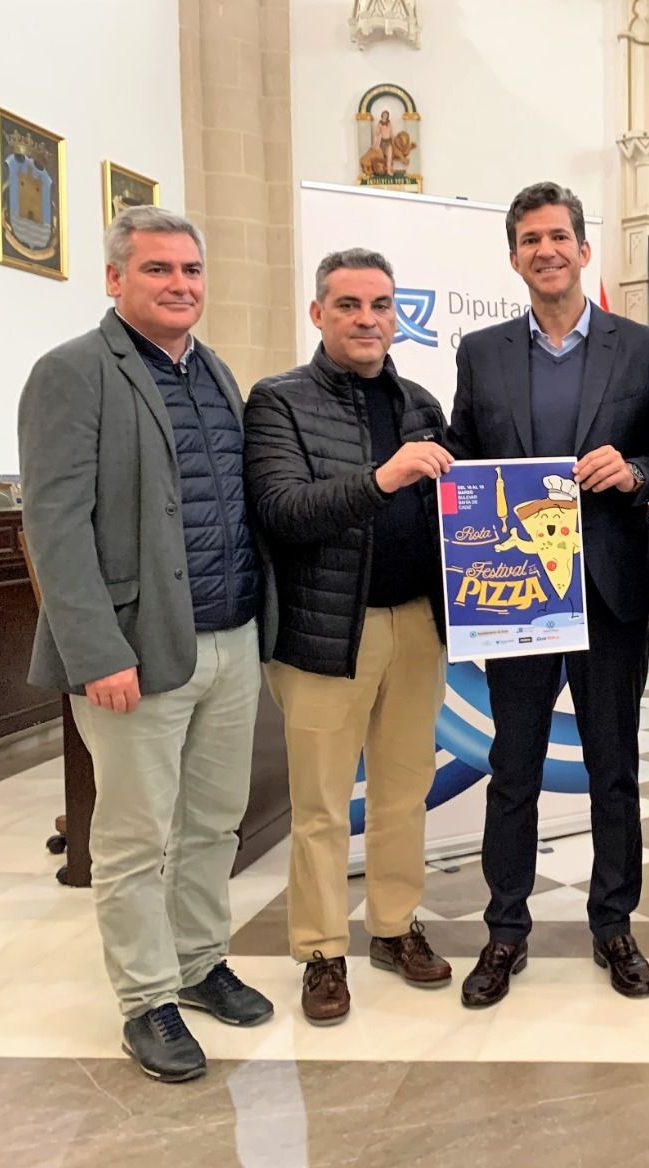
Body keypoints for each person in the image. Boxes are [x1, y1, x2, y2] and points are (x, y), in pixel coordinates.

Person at [18, 206, 276, 1083]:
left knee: (213, 823)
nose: (179, 286)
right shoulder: (72, 373)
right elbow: (54, 527)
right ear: (115, 278)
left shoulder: (215, 374)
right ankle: (147, 1000)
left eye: (191, 271)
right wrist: (95, 653)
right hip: (136, 647)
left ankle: (201, 963)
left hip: (231, 635)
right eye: (160, 269)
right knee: (132, 838)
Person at [448, 181, 649, 1008]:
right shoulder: (482, 352)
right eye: (530, 239)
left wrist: (637, 472)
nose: (546, 250)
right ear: (514, 257)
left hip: (610, 591)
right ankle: (506, 930)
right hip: (515, 594)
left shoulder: (642, 346)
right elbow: (466, 458)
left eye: (559, 237)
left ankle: (613, 923)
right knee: (514, 768)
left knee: (614, 769)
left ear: (584, 249)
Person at [244, 248, 455, 1026]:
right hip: (326, 633)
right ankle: (322, 950)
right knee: (324, 807)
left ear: (397, 315)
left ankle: (394, 929)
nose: (368, 320)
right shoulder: (278, 401)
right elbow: (281, 510)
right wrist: (382, 478)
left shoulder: (422, 402)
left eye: (381, 306)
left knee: (405, 795)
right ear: (319, 314)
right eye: (350, 306)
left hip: (416, 627)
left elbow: (457, 509)